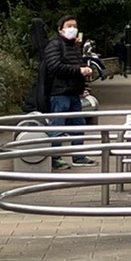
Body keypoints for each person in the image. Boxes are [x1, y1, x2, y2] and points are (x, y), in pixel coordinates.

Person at [39, 15, 97, 167]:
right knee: (58, 126)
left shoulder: (74, 47)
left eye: (74, 26)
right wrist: (79, 70)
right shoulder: (55, 46)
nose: (73, 29)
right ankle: (54, 158)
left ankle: (78, 156)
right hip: (59, 93)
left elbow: (77, 67)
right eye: (69, 26)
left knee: (78, 126)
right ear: (60, 29)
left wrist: (83, 86)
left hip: (74, 93)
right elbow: (55, 67)